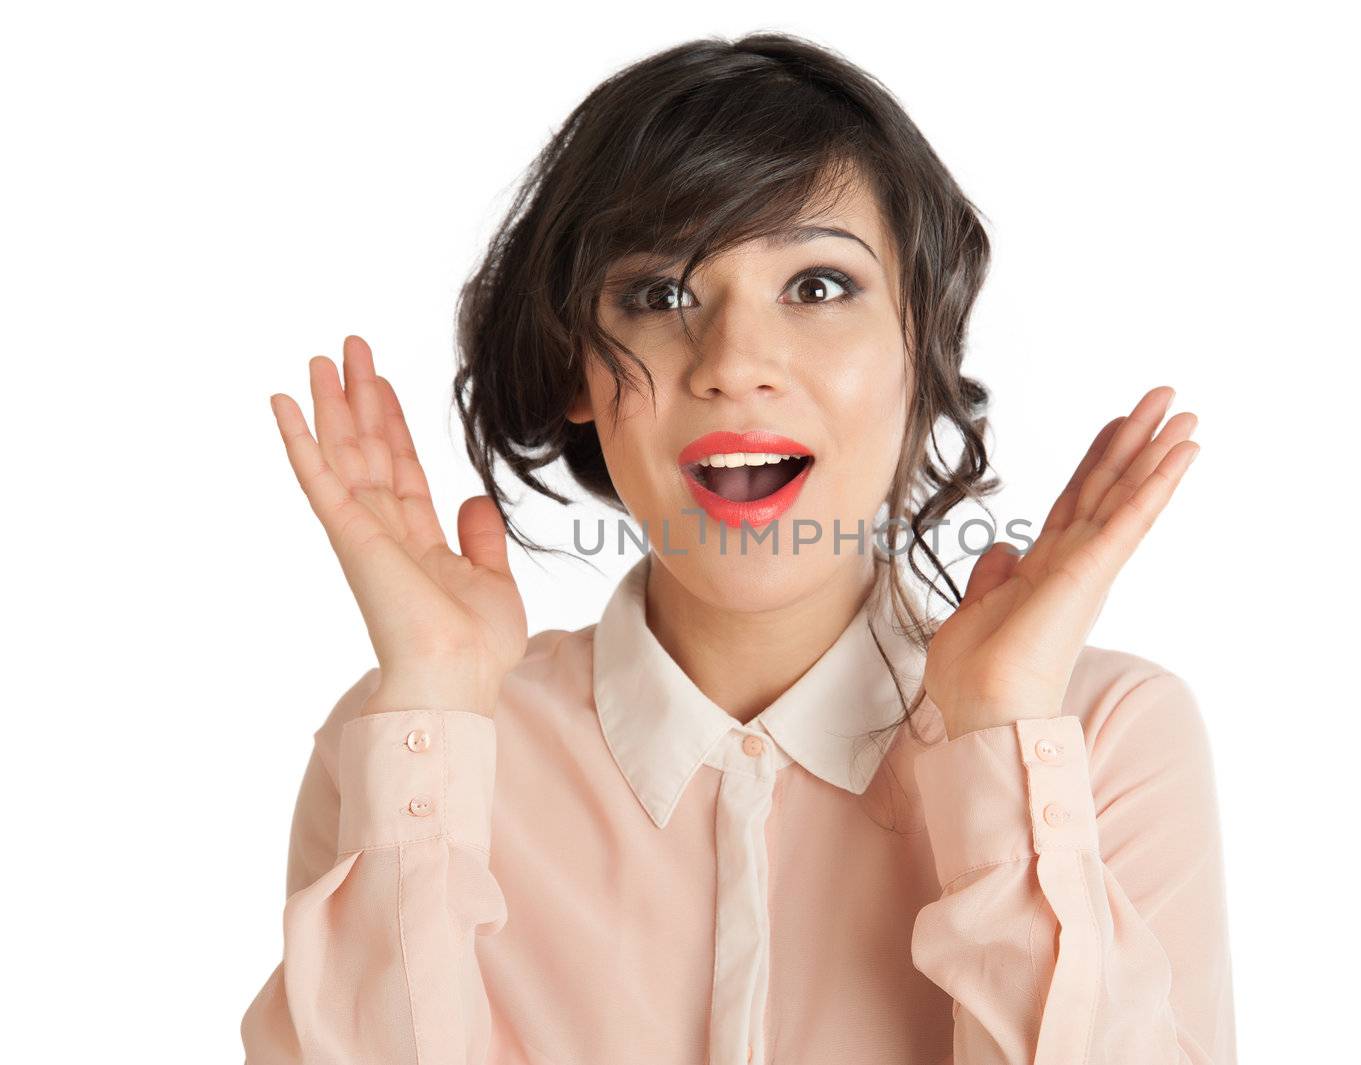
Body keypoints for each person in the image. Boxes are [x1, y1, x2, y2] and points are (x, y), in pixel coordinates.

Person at [242, 32, 1235, 1065]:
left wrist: (997, 743)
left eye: (816, 287)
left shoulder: (1097, 736)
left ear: (920, 349)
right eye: (660, 294)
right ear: (576, 370)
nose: (734, 364)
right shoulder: (414, 745)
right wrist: (438, 701)